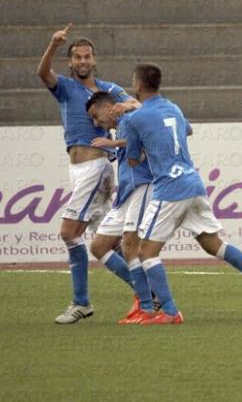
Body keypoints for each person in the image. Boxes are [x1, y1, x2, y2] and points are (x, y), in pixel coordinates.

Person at [124, 63, 242, 325]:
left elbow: (132, 160)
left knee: (146, 252)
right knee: (213, 243)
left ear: (138, 85)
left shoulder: (134, 119)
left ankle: (171, 312)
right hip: (193, 184)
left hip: (169, 189)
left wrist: (144, 146)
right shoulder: (173, 108)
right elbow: (187, 129)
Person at [37, 23, 140, 324]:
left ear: (95, 60)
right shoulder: (67, 88)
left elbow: (135, 103)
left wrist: (120, 108)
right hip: (81, 170)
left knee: (70, 233)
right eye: (77, 57)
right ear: (70, 62)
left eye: (87, 57)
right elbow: (43, 74)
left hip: (95, 168)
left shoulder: (109, 90)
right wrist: (53, 44)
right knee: (110, 241)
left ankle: (82, 301)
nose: (83, 61)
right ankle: (150, 292)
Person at [86, 91, 157, 324]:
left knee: (130, 244)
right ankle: (147, 292)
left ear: (109, 107)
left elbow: (150, 132)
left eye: (97, 117)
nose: (97, 124)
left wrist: (114, 142)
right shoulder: (121, 126)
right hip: (125, 194)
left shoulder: (130, 119)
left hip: (142, 186)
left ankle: (145, 304)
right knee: (98, 246)